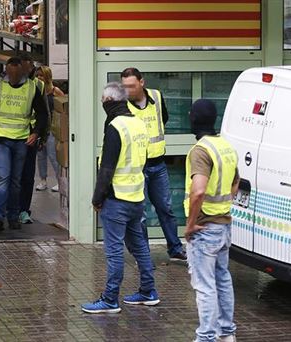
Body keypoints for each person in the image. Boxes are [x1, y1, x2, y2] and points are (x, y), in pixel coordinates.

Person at [81, 82, 159, 314]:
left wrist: (97, 198)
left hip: (117, 199)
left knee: (114, 251)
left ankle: (110, 298)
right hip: (136, 196)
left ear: (108, 102)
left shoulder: (115, 126)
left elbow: (107, 168)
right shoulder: (137, 123)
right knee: (140, 247)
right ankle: (148, 291)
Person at [185, 99, 239, 342]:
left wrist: (191, 225)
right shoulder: (226, 146)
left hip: (205, 227)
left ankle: (205, 337)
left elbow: (198, 191)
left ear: (193, 118)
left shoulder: (200, 150)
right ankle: (226, 333)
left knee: (205, 286)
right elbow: (236, 183)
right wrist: (224, 205)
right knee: (223, 279)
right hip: (224, 225)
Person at [121, 67, 187, 261]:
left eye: (132, 86)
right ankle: (145, 256)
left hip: (158, 164)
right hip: (137, 167)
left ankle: (175, 248)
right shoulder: (123, 104)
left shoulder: (156, 97)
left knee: (165, 208)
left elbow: (163, 119)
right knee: (140, 215)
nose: (128, 90)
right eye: (125, 86)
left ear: (142, 82)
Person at [0, 56, 49, 231]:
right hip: (1, 139)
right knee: (4, 178)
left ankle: (13, 216)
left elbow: (42, 113)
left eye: (17, 73)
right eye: (11, 73)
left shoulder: (31, 87)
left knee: (16, 181)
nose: (14, 77)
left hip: (21, 140)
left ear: (23, 71)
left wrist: (36, 133)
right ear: (6, 71)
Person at [18, 53, 48, 224]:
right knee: (10, 175)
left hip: (29, 136)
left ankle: (23, 209)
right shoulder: (4, 84)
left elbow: (45, 112)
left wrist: (41, 135)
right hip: (8, 136)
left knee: (27, 176)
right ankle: (9, 208)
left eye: (28, 67)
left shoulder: (37, 85)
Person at [35, 65, 65, 192]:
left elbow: (63, 107)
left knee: (53, 155)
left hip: (52, 128)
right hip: (40, 127)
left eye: (41, 75)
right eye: (37, 75)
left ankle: (60, 180)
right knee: (41, 155)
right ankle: (43, 180)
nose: (39, 78)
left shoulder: (55, 91)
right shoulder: (35, 90)